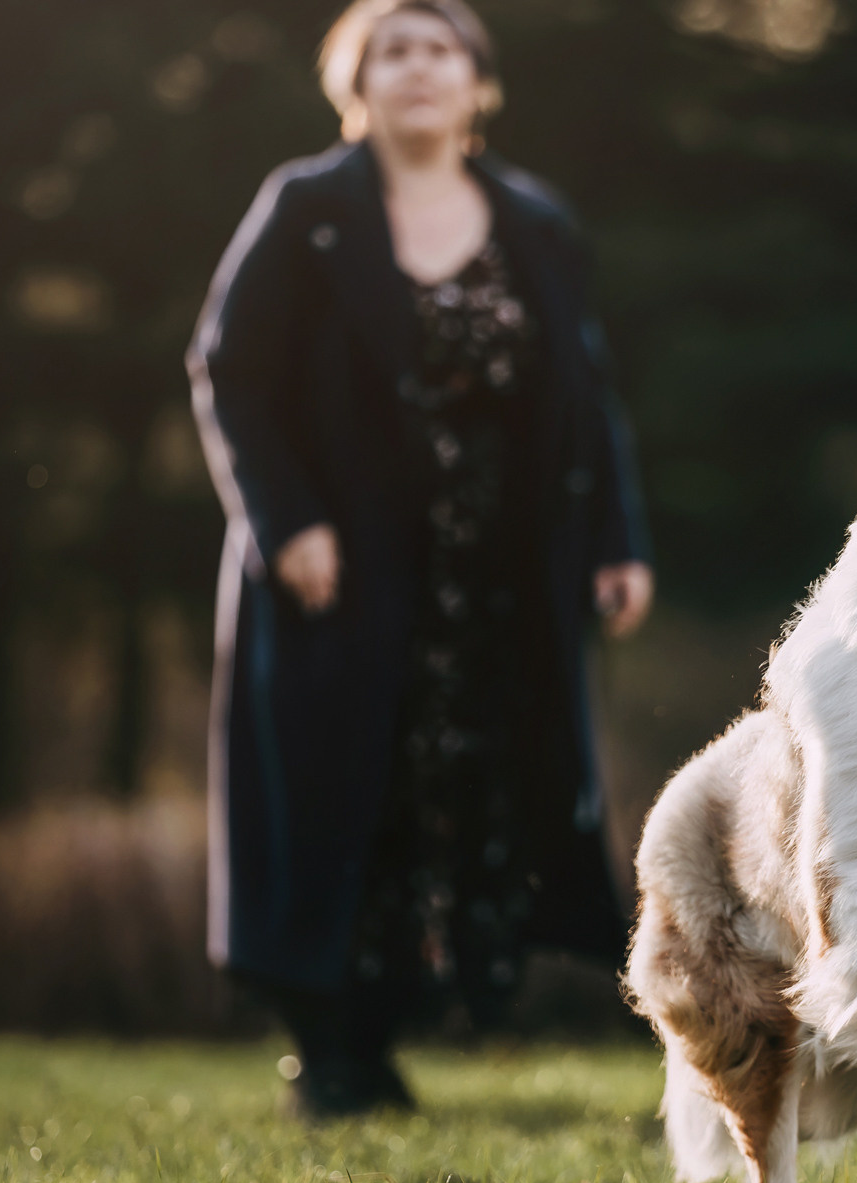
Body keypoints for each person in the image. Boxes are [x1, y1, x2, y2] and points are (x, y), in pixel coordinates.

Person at [188, 0, 654, 1117]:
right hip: (338, 574)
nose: (417, 67)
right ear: (353, 81)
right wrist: (284, 521)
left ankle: (417, 1019)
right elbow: (229, 372)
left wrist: (617, 540)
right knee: (343, 797)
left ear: (477, 84)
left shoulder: (535, 221)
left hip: (496, 581)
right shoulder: (307, 210)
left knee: (473, 798)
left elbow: (586, 397)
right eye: (390, 49)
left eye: (440, 48)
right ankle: (335, 1053)